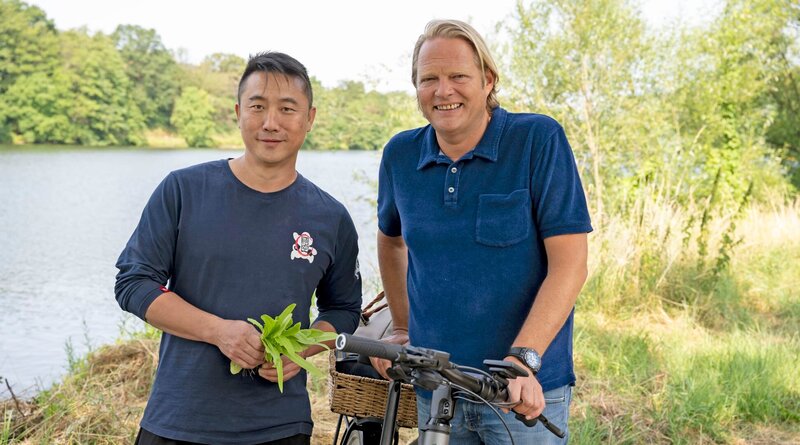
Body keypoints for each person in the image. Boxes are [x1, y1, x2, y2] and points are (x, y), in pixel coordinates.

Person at [115, 51, 362, 445]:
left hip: (280, 427)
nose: (270, 122)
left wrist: (300, 348)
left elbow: (344, 309)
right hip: (179, 419)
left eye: (287, 109)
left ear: (310, 118)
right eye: (258, 106)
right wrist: (218, 332)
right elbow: (134, 283)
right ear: (238, 112)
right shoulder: (183, 190)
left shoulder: (330, 217)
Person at [371, 19, 592, 444]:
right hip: (436, 389)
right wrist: (401, 328)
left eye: (458, 76)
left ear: (488, 80)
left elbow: (571, 265)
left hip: (520, 394)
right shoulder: (400, 154)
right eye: (429, 79)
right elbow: (391, 240)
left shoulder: (536, 140)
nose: (443, 90)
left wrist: (522, 360)